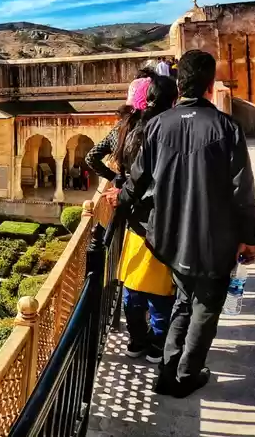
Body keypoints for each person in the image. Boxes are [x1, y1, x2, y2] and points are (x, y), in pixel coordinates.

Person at [117, 50, 255, 398]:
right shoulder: (227, 128)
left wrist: (120, 207)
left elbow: (134, 183)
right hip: (215, 239)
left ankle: (169, 371)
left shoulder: (156, 126)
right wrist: (249, 237)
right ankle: (184, 377)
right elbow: (243, 191)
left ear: (180, 86)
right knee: (205, 309)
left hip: (170, 237)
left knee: (183, 301)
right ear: (210, 86)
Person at [89, 74, 179, 363]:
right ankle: (156, 344)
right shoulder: (166, 131)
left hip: (133, 214)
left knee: (133, 286)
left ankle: (137, 341)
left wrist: (118, 182)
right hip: (161, 218)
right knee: (160, 291)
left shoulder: (126, 129)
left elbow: (93, 157)